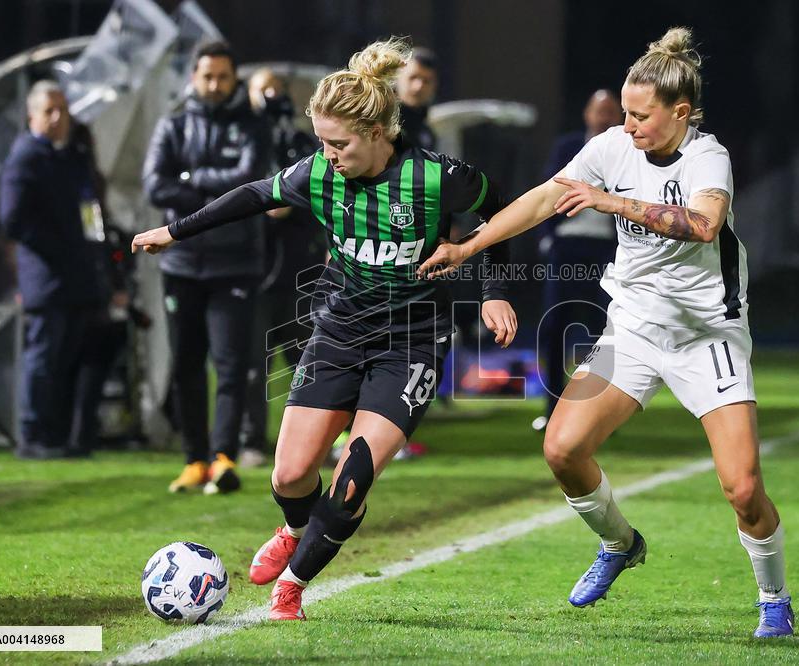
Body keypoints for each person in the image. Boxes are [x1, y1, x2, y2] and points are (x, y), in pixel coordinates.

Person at [418, 27, 794, 638]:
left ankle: (773, 598)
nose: (629, 126)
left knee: (743, 487)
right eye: (624, 112)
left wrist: (607, 202)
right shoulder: (611, 146)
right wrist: (467, 247)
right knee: (562, 449)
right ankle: (620, 544)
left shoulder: (707, 156)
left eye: (641, 116)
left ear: (681, 113)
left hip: (709, 335)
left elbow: (701, 225)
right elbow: (543, 198)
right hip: (635, 330)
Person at [132, 38, 518, 621]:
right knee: (289, 475)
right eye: (321, 141)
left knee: (351, 477)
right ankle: (295, 529)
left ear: (377, 133)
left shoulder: (437, 178)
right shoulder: (319, 173)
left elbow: (503, 211)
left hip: (410, 341)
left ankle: (291, 584)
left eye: (338, 143)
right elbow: (252, 195)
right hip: (338, 331)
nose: (327, 154)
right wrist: (175, 232)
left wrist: (492, 291)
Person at [143, 40, 269, 494]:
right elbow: (154, 186)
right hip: (181, 262)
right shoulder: (173, 124)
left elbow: (251, 183)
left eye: (223, 76)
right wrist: (215, 192)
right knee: (186, 366)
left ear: (234, 79)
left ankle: (223, 457)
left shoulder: (253, 125)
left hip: (235, 263)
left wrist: (190, 180)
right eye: (207, 76)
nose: (214, 85)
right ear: (194, 77)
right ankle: (194, 459)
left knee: (232, 366)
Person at [0, 80, 108, 460]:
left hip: (76, 275)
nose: (58, 118)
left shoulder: (70, 156)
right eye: (49, 111)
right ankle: (33, 435)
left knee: (64, 358)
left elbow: (90, 207)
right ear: (32, 115)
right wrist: (60, 248)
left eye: (62, 109)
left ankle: (57, 435)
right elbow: (11, 219)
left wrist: (94, 248)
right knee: (43, 357)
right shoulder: (26, 156)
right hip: (46, 277)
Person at [237, 68, 322, 469]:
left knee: (310, 362)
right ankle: (251, 440)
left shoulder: (302, 143)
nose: (271, 96)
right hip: (253, 271)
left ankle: (316, 443)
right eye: (262, 89)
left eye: (277, 89)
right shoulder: (243, 140)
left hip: (300, 271)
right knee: (255, 365)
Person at [534, 89, 623, 432]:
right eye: (598, 111)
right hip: (567, 247)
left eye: (610, 112)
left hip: (607, 250)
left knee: (611, 328)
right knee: (555, 325)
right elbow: (546, 190)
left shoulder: (626, 152)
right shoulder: (569, 147)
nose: (603, 118)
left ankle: (601, 411)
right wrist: (546, 237)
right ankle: (552, 407)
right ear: (587, 114)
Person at [396, 47, 439, 150]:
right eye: (412, 77)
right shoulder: (381, 124)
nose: (419, 86)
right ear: (397, 79)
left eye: (426, 81)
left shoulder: (426, 132)